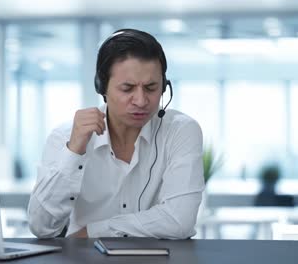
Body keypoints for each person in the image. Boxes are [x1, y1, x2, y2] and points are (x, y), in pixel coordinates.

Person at [27, 29, 204, 239]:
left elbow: (179, 221)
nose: (140, 100)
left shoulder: (180, 130)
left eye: (150, 87)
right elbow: (41, 227)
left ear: (164, 87)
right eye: (127, 88)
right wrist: (73, 152)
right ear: (102, 88)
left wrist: (94, 231)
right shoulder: (64, 136)